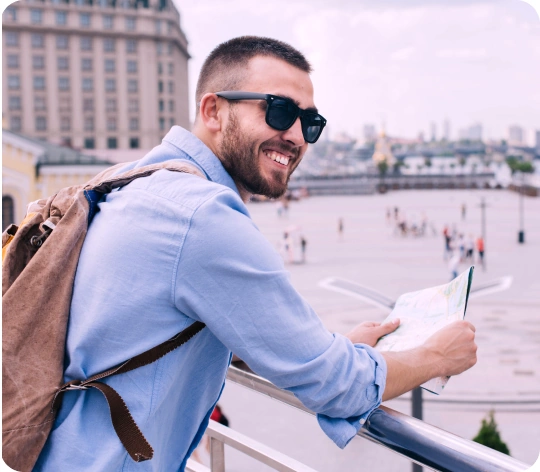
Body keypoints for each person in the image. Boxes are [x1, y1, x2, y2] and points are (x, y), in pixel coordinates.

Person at [34, 36, 477, 471]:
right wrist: (438, 356)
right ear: (213, 110)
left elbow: (157, 316)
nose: (297, 137)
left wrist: (329, 348)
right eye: (279, 111)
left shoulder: (136, 177)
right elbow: (337, 386)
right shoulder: (200, 216)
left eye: (311, 124)